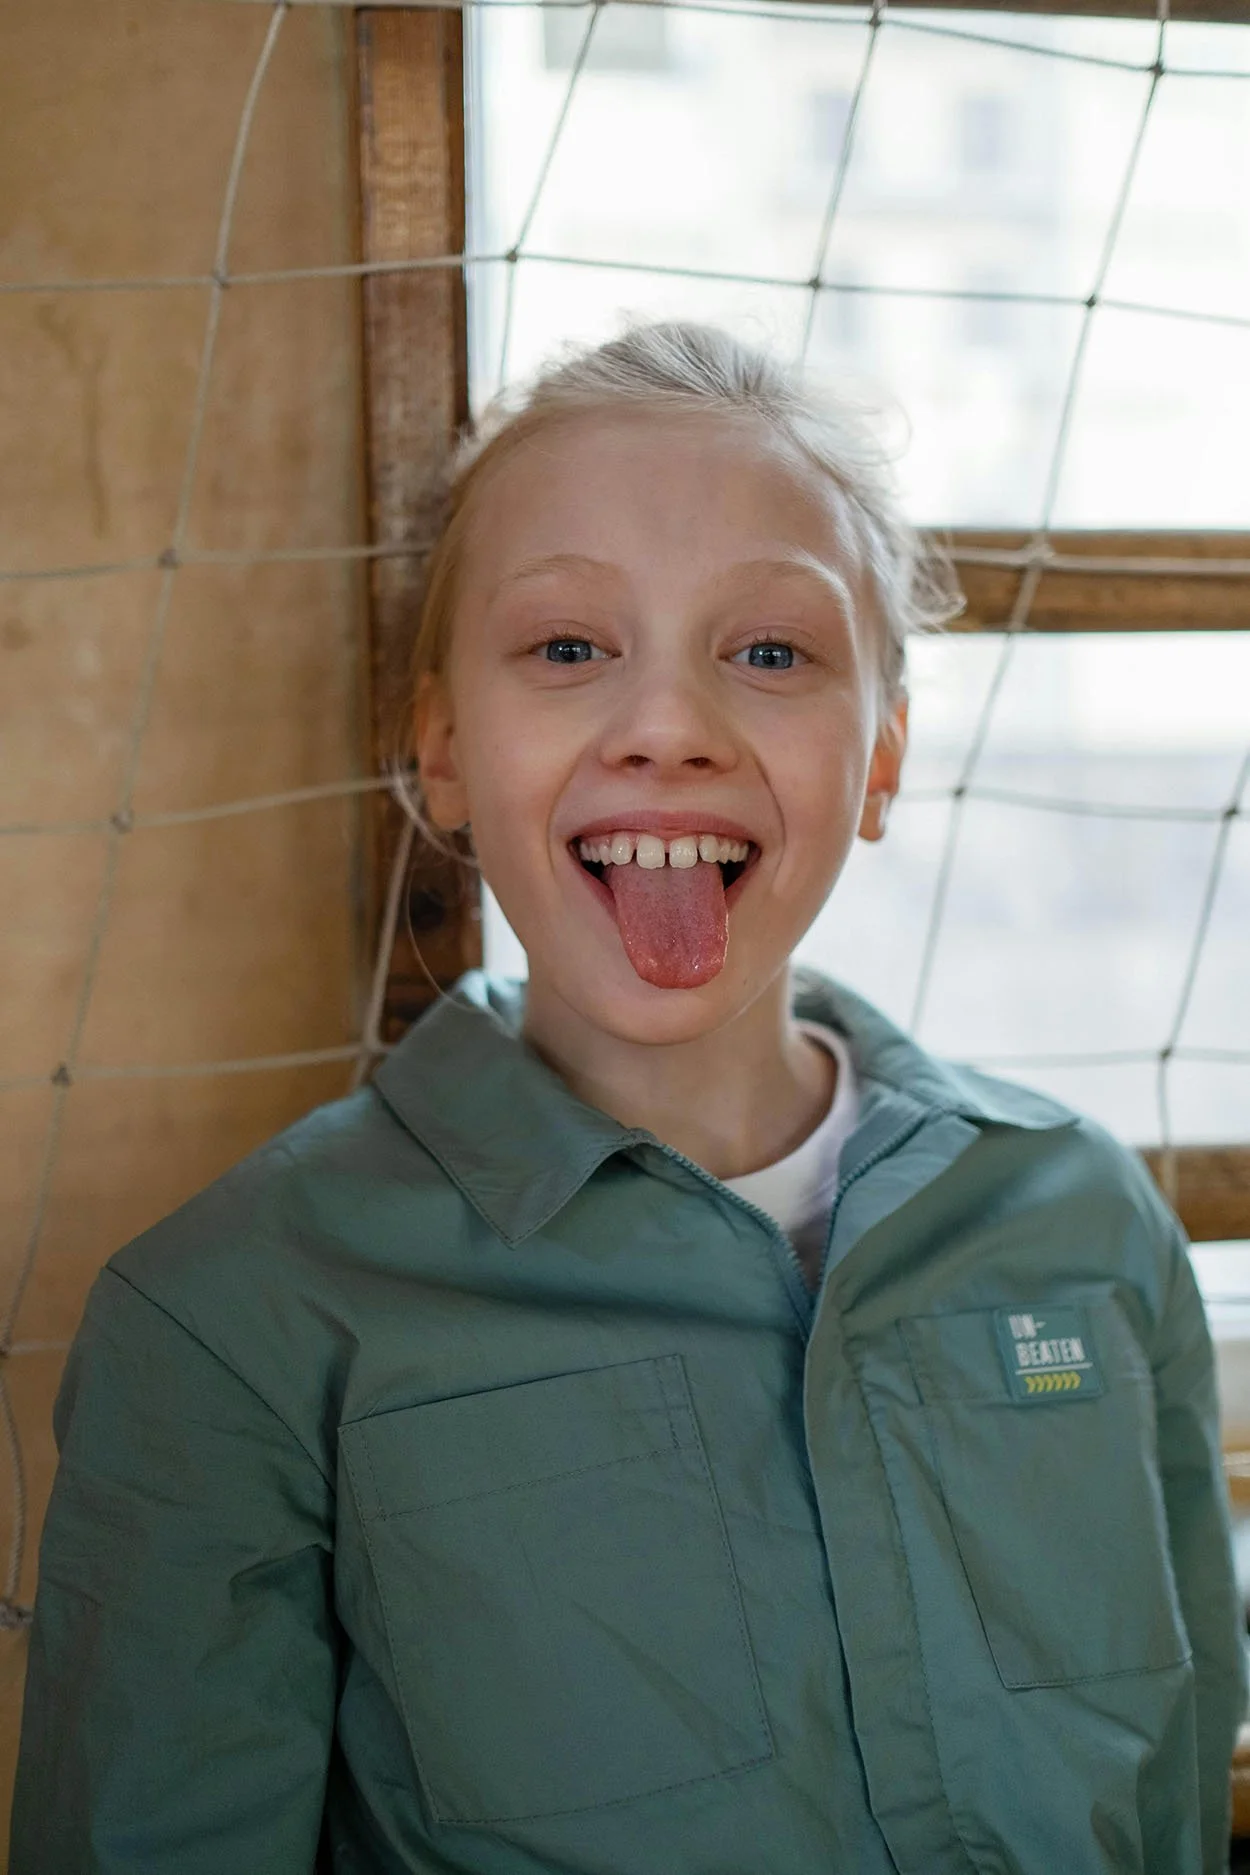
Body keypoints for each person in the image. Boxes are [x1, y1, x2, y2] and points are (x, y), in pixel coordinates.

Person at [12, 320, 1245, 1875]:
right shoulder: (233, 1319)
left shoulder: (1079, 1218)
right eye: (569, 647)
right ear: (444, 748)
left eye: (772, 652)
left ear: (880, 757)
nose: (669, 725)